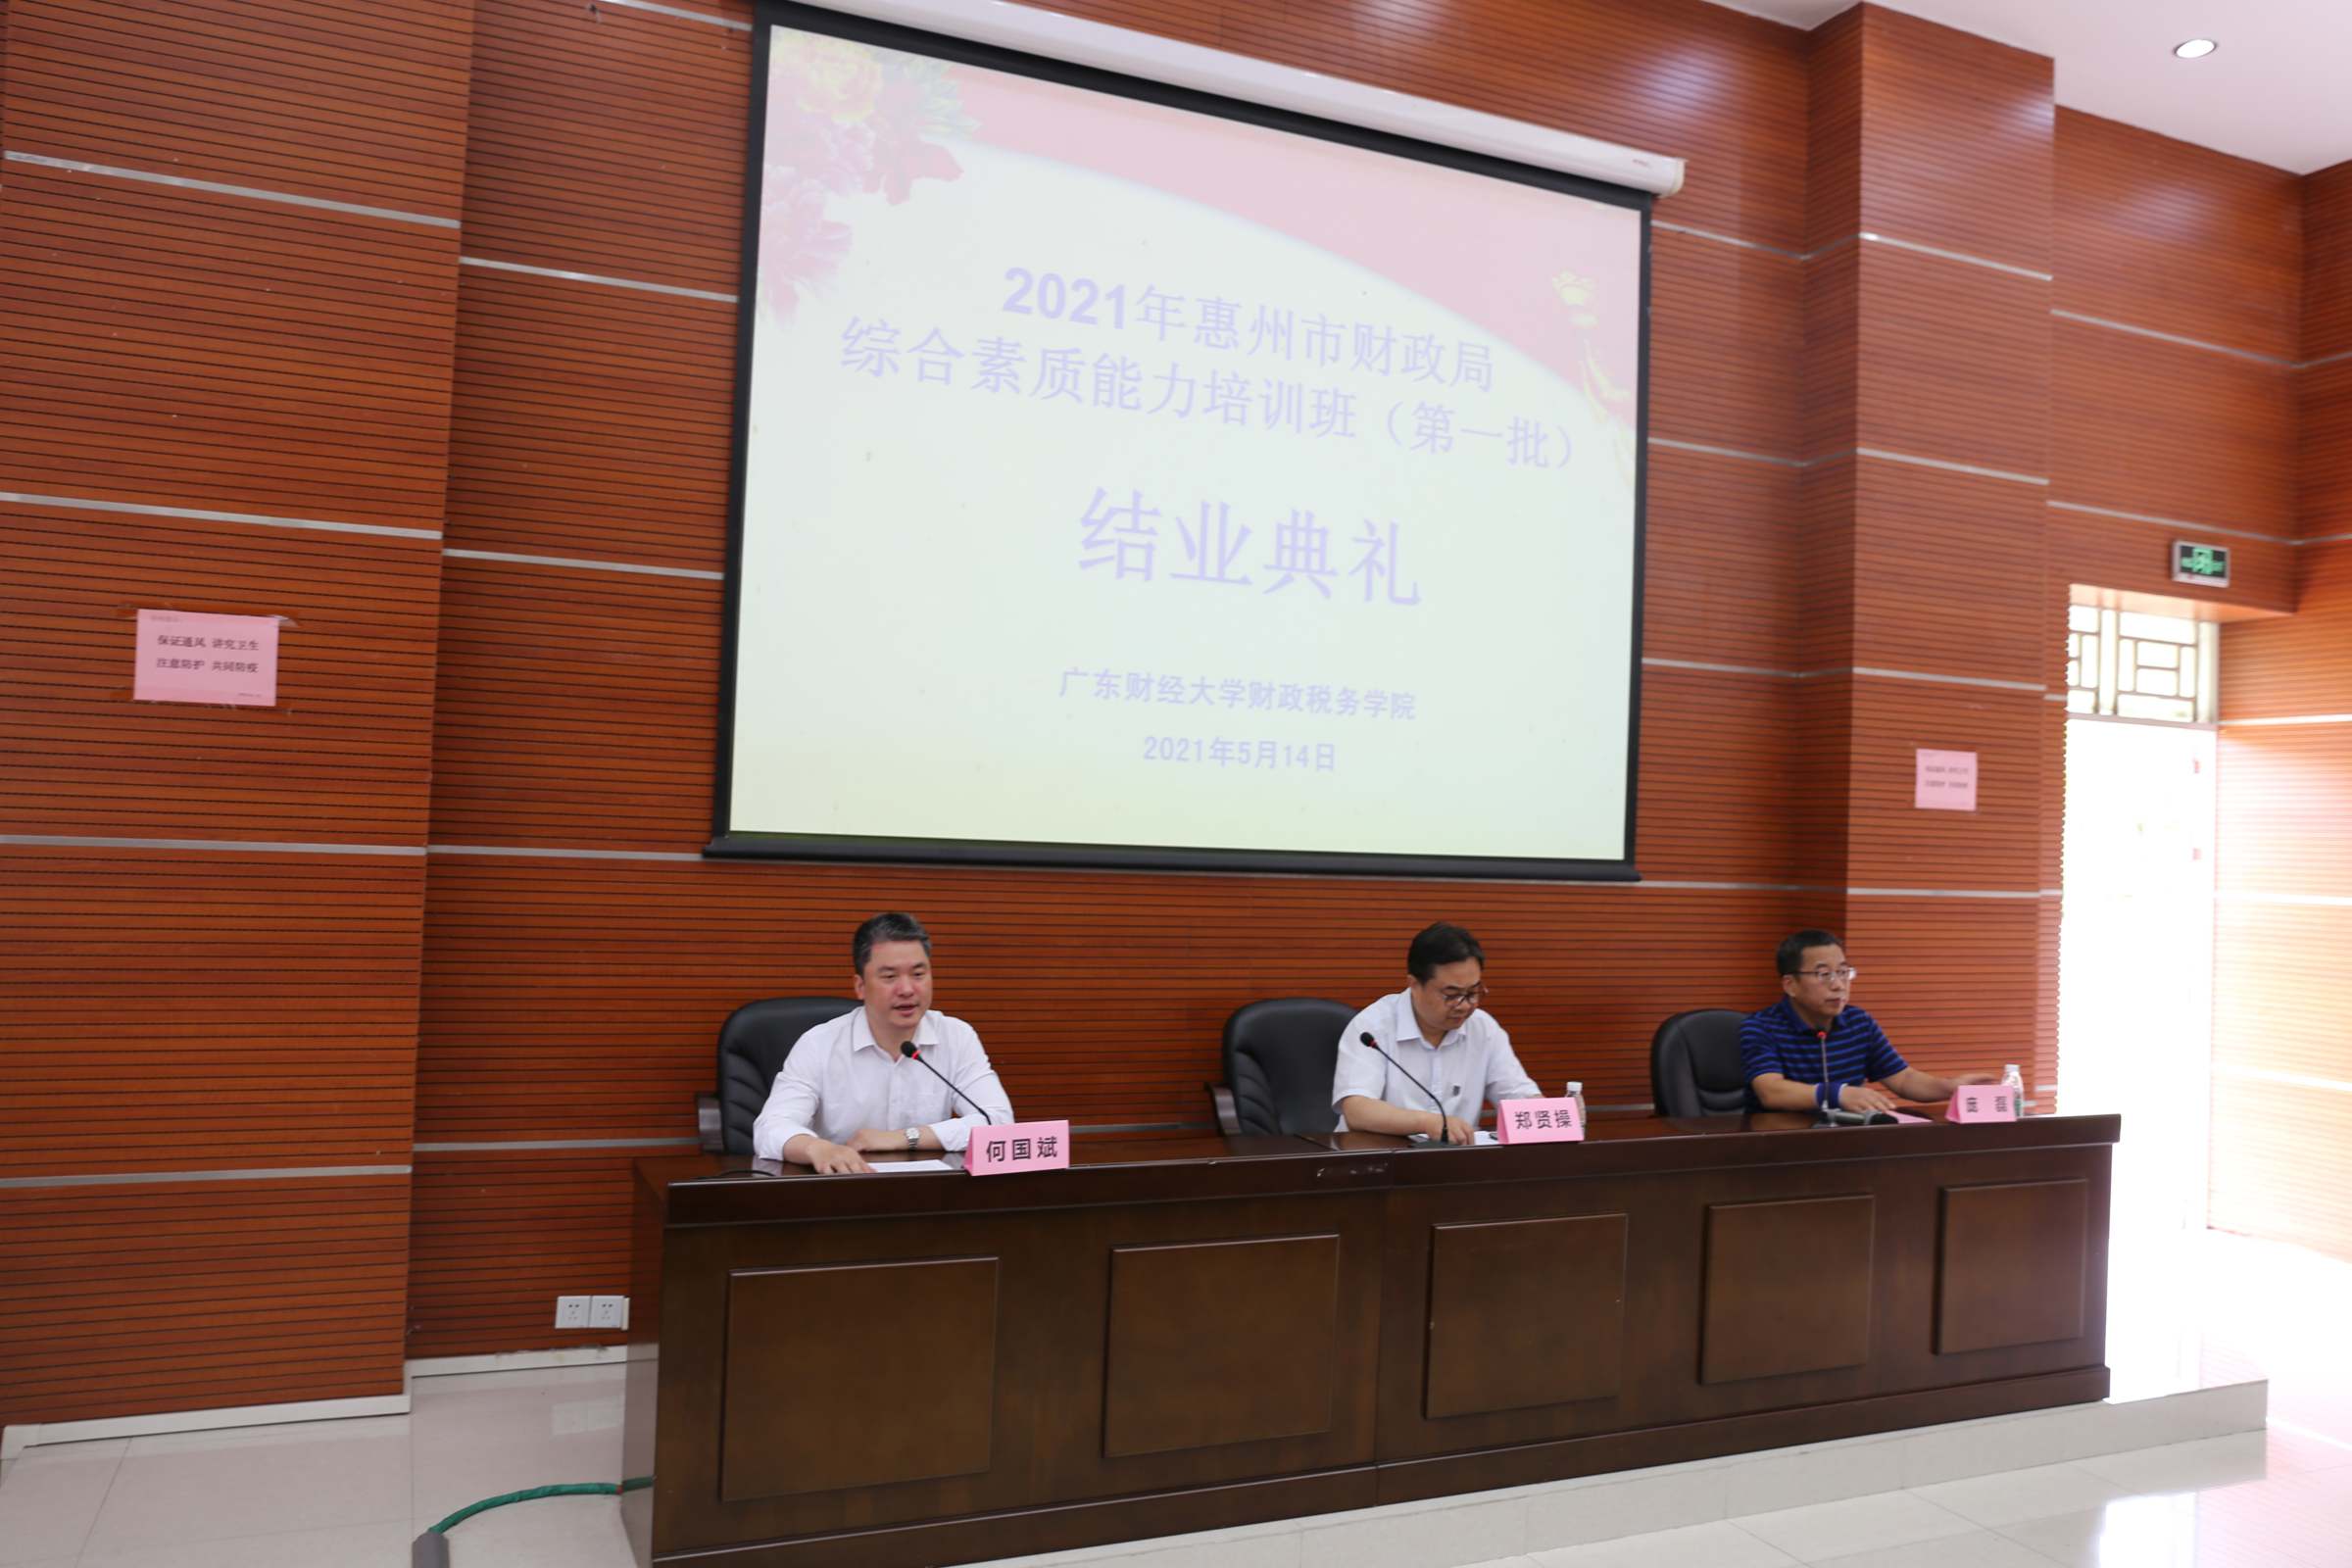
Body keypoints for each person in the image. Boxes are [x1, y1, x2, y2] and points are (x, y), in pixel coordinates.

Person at [752, 911, 1014, 1173]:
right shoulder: (819, 1044)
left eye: (918, 974)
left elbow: (999, 1121)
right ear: (860, 986)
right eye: (889, 977)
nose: (907, 989)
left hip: (927, 1190)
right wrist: (817, 1148)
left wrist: (905, 1137)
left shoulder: (956, 1036)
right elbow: (771, 1128)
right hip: (842, 1187)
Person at [1741, 929, 1997, 1114]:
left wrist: (1949, 1087)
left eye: (1843, 972)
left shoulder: (1858, 1022)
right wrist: (1837, 1094)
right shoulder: (1761, 1027)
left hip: (1849, 1142)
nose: (1838, 985)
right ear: (1790, 985)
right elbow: (1771, 1091)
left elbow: (1904, 1079)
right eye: (1824, 974)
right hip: (1779, 1147)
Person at [1332, 922, 1539, 1140]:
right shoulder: (1372, 1027)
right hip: (1378, 1155)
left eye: (1473, 992)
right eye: (1452, 994)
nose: (1464, 1005)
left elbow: (1517, 1094)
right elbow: (1357, 1109)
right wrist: (1427, 1122)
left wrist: (1551, 1114)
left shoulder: (1483, 1028)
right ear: (1414, 984)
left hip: (1457, 1158)